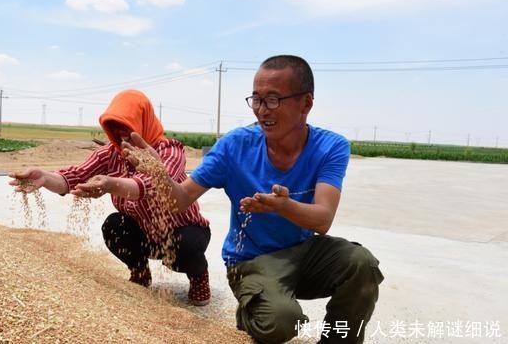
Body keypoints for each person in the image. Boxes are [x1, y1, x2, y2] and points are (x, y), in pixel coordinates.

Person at [120, 55, 384, 343]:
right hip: (252, 259)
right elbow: (180, 199)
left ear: (306, 103)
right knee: (282, 322)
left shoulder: (330, 147)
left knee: (361, 263)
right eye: (256, 99)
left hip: (304, 251)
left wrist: (282, 206)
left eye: (273, 99)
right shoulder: (235, 146)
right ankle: (251, 312)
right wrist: (159, 173)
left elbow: (323, 219)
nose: (261, 110)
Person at [9, 89, 212, 306]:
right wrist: (45, 177)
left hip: (182, 230)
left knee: (186, 248)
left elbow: (149, 185)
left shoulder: (169, 150)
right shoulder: (110, 154)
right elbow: (74, 176)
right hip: (144, 233)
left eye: (126, 124)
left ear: (143, 121)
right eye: (113, 125)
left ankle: (198, 276)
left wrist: (109, 184)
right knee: (114, 226)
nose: (119, 132)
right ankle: (140, 272)